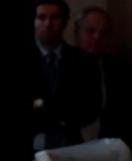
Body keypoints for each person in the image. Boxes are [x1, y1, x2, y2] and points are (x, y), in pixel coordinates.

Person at [32, 0, 100, 151]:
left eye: (55, 17)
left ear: (64, 22)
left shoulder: (85, 61)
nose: (48, 23)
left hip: (71, 147)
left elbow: (92, 107)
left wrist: (42, 106)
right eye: (42, 17)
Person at [74, 6, 132, 142]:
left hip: (109, 148)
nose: (97, 37)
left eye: (103, 33)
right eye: (91, 31)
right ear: (77, 33)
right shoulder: (61, 65)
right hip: (68, 149)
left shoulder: (121, 71)